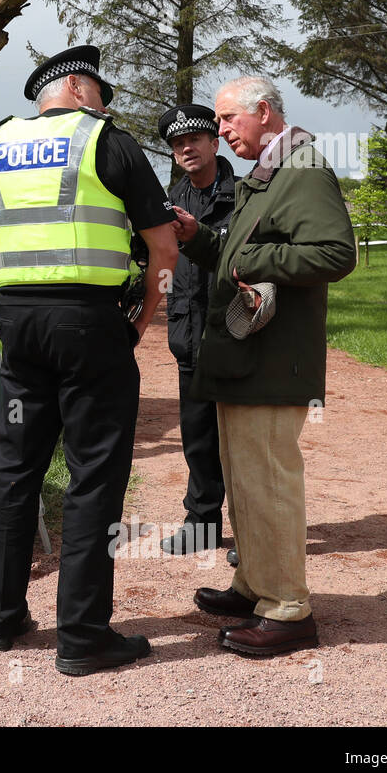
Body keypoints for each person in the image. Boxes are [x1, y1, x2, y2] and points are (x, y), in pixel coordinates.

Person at [0, 45, 178, 677]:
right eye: (102, 94)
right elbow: (163, 246)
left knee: (15, 468)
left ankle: (0, 620)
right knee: (93, 477)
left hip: (19, 324)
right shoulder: (108, 142)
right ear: (84, 91)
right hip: (89, 323)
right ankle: (83, 636)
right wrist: (143, 317)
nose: (106, 104)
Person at [170, 75, 356, 657]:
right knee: (244, 477)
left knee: (269, 481)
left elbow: (334, 252)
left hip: (274, 360)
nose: (220, 132)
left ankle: (287, 611)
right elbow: (237, 251)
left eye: (228, 120)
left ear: (264, 112)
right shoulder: (267, 175)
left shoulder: (302, 169)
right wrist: (200, 238)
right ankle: (254, 585)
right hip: (246, 356)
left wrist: (249, 256)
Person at [155, 104, 235, 559]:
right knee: (198, 437)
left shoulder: (243, 195)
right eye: (177, 143)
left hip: (235, 334)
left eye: (195, 140)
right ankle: (202, 524)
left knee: (243, 441)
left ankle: (252, 531)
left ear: (214, 143)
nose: (186, 148)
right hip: (189, 335)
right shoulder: (167, 201)